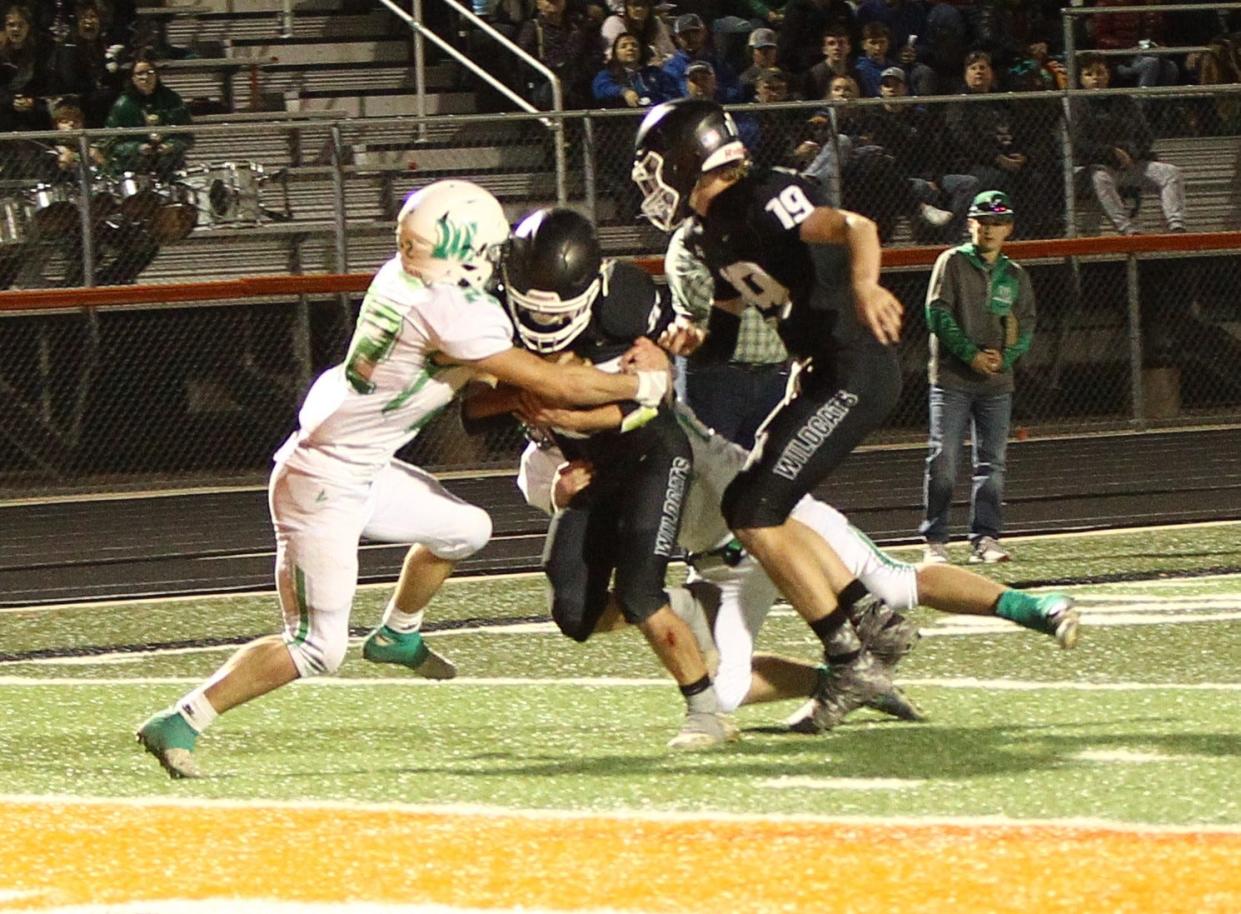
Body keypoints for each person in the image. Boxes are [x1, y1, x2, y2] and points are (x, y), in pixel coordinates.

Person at [135, 180, 676, 779]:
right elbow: (559, 386)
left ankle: (398, 632)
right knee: (316, 647)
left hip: (359, 463)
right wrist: (643, 385)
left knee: (467, 529)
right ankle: (182, 718)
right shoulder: (450, 308)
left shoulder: (403, 274)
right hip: (324, 482)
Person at [516, 399, 1080, 730]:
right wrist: (567, 499)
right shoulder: (539, 468)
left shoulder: (639, 411)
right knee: (724, 691)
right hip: (719, 564)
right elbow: (597, 532)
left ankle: (1037, 608)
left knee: (893, 584)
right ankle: (842, 681)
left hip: (773, 519)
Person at [632, 97, 907, 731]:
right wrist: (690, 334)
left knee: (753, 506)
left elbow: (856, 227)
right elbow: (732, 316)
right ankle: (868, 624)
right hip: (821, 372)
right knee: (755, 503)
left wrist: (865, 286)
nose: (650, 181)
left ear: (685, 159)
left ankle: (853, 648)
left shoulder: (761, 199)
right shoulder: (709, 232)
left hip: (853, 370)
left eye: (656, 166)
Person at [470, 206, 739, 750]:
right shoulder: (492, 306)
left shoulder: (626, 301)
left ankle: (706, 712)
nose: (544, 325)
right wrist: (532, 391)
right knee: (573, 612)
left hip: (647, 452)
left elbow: (652, 399)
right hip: (589, 466)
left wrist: (572, 407)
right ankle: (687, 607)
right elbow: (473, 407)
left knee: (639, 592)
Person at [918, 190, 1034, 566]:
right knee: (943, 458)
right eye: (982, 221)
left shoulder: (1015, 275)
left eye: (997, 223)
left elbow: (1025, 324)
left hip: (996, 384)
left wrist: (1006, 358)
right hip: (952, 378)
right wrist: (970, 354)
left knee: (992, 463)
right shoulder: (950, 262)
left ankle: (986, 538)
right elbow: (937, 313)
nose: (989, 229)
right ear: (970, 224)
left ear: (1009, 229)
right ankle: (935, 540)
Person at [666, 214, 789, 450]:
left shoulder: (769, 232)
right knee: (708, 472)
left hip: (773, 377)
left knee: (768, 473)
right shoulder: (687, 240)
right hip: (716, 379)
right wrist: (764, 284)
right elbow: (701, 297)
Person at [1071, 52, 1186, 236]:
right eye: (1089, 74)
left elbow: (1145, 137)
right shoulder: (1077, 103)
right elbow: (1079, 144)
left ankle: (1176, 225)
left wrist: (1130, 151)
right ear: (1081, 78)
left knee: (1171, 173)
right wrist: (1111, 152)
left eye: (1100, 73)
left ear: (1108, 74)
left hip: (1128, 163)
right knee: (1100, 178)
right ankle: (1128, 229)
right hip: (1092, 168)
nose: (1096, 79)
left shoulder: (1123, 100)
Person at [104, 51, 191, 181]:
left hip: (169, 165)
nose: (146, 77)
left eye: (150, 73)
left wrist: (171, 145)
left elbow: (187, 135)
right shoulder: (122, 105)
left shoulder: (172, 99)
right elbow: (110, 143)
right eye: (140, 74)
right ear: (132, 78)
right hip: (134, 167)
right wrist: (136, 148)